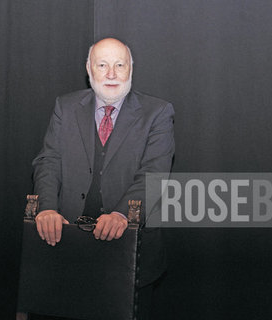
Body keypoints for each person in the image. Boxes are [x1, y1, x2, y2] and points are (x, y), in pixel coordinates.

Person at [32, 37, 174, 319]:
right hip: (69, 249)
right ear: (89, 68)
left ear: (131, 68)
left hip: (131, 254)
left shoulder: (158, 112)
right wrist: (46, 207)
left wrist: (122, 214)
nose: (111, 74)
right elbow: (49, 160)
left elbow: (154, 175)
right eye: (102, 65)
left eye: (120, 65)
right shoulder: (65, 106)